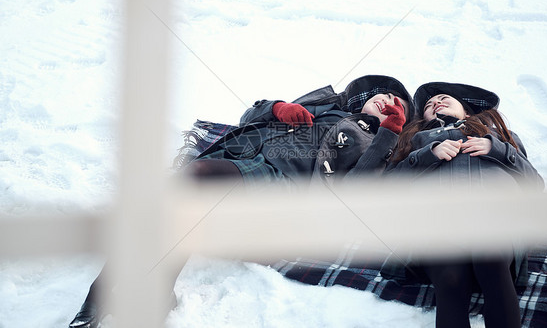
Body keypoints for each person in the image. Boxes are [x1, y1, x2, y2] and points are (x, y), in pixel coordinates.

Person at [69, 74, 414, 328]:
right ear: (362, 98)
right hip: (242, 159)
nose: (388, 100)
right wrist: (278, 108)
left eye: (397, 104)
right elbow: (250, 117)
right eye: (382, 94)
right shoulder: (323, 105)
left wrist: (388, 134)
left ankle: (101, 293)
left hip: (282, 186)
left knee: (189, 181)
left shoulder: (377, 146)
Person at [384, 82, 544, 328]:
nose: (435, 102)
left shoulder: (498, 137)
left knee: (490, 260)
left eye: (443, 98)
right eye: (428, 105)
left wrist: (498, 149)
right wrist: (429, 154)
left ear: (467, 111)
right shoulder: (418, 140)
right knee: (451, 279)